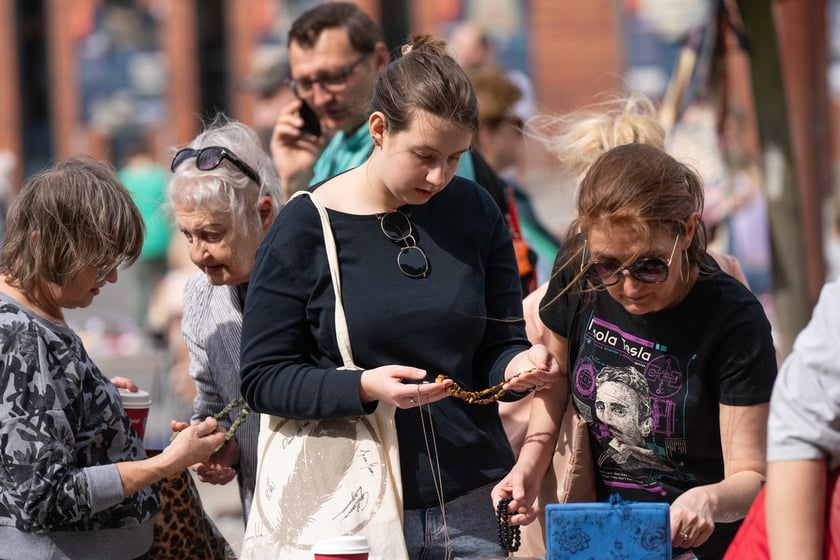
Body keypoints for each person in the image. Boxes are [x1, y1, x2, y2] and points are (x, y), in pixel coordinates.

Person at [240, 34, 560, 559]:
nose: (440, 176)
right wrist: (363, 386)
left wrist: (518, 365)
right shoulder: (305, 227)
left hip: (472, 497)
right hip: (350, 506)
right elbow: (261, 378)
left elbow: (496, 345)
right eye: (424, 156)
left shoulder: (476, 209)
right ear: (379, 130)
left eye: (456, 158)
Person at [491, 142, 777, 559]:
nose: (628, 287)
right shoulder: (579, 266)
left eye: (650, 265)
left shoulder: (733, 320)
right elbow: (554, 387)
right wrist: (528, 469)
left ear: (689, 228)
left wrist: (708, 501)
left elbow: (751, 474)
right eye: (608, 264)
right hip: (605, 536)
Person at [0, 156, 226, 560]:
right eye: (100, 262)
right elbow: (45, 496)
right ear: (46, 244)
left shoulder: (33, 315)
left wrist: (94, 399)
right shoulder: (19, 333)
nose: (112, 278)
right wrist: (166, 464)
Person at [167, 117, 282, 525]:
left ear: (263, 213)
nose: (197, 254)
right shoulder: (201, 296)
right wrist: (217, 446)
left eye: (212, 234)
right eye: (187, 235)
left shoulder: (315, 281)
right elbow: (214, 405)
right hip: (263, 517)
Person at [118, 137, 172, 331]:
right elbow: (169, 208)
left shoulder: (125, 177)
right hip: (162, 239)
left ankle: (142, 328)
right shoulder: (159, 174)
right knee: (163, 285)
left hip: (138, 241)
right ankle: (164, 324)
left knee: (140, 289)